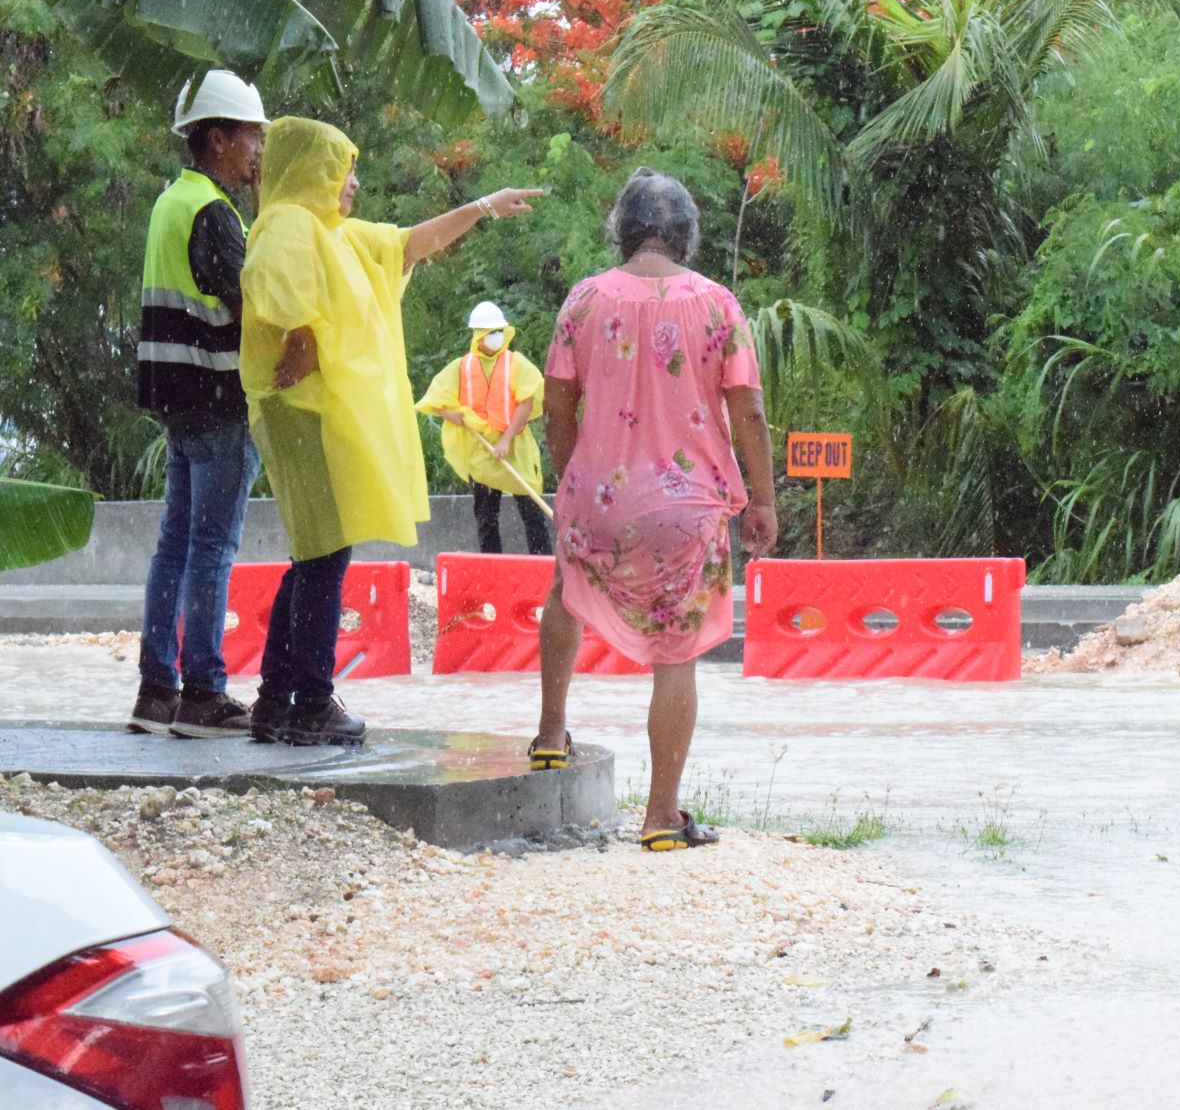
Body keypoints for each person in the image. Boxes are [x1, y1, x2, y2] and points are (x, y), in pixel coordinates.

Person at [239, 116, 543, 747]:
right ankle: (311, 702)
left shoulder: (337, 236)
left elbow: (410, 244)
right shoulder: (289, 223)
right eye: (341, 169)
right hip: (304, 415)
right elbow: (280, 292)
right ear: (311, 171)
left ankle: (276, 701)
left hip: (321, 412)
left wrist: (482, 207)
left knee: (316, 554)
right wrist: (302, 336)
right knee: (324, 555)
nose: (352, 183)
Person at [531, 168, 777, 852]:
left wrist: (575, 474)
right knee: (676, 653)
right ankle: (661, 816)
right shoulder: (717, 304)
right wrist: (761, 499)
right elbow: (748, 410)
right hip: (686, 509)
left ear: (623, 231)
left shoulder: (584, 299)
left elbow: (556, 403)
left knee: (566, 589)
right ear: (685, 236)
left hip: (598, 498)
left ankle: (551, 733)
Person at [129, 71, 269, 739]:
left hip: (176, 398)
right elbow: (254, 305)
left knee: (175, 545)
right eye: (251, 138)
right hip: (218, 396)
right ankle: (204, 692)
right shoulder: (214, 212)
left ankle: (157, 691)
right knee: (212, 548)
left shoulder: (170, 200)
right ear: (218, 139)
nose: (257, 153)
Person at [415, 301, 552, 555]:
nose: (496, 336)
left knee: (532, 511)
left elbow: (526, 403)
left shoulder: (516, 363)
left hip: (514, 447)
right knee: (486, 517)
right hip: (481, 451)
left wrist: (506, 440)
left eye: (499, 330)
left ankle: (543, 563)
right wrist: (451, 414)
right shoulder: (462, 367)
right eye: (490, 332)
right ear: (478, 336)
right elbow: (432, 401)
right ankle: (491, 566)